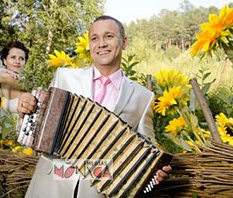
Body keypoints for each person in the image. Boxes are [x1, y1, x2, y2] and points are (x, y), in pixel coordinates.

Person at [18, 16, 172, 198]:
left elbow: (148, 154)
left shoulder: (143, 97)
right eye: (94, 38)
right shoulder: (64, 77)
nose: (101, 44)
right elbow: (34, 129)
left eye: (108, 36)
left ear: (123, 42)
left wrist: (155, 172)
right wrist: (25, 112)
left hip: (97, 193)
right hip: (50, 187)